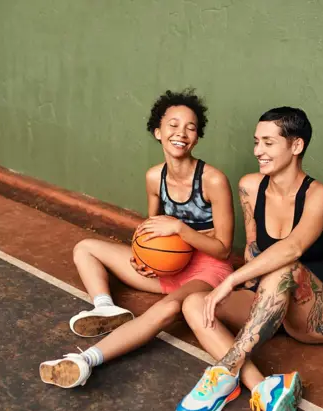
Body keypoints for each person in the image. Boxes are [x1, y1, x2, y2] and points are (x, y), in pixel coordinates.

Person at [39, 88, 235, 388]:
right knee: (85, 248)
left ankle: (84, 360)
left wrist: (180, 229)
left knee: (168, 308)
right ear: (158, 132)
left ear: (197, 137)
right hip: (169, 269)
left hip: (207, 271)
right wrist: (141, 257)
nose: (181, 132)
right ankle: (105, 307)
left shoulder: (213, 180)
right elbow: (150, 228)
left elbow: (222, 250)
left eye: (191, 127)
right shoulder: (154, 177)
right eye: (173, 125)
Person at [174, 107, 323, 411]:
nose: (258, 151)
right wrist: (240, 287)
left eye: (268, 143)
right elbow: (254, 249)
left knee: (285, 268)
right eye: (256, 142)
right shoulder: (250, 187)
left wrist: (231, 280)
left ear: (295, 146)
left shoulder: (318, 195)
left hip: (317, 314)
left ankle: (225, 372)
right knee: (194, 303)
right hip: (270, 304)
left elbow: (293, 249)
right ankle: (262, 387)